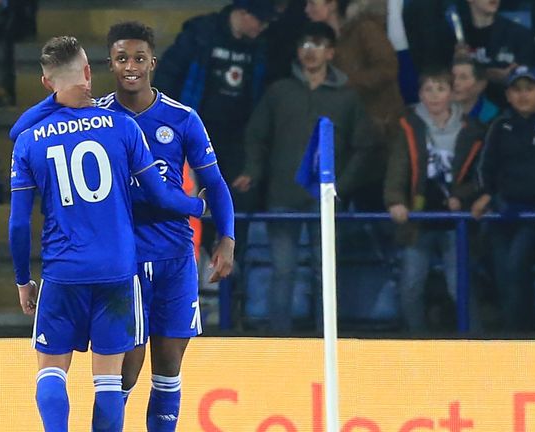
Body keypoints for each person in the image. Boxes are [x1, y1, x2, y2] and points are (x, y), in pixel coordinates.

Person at [10, 22, 236, 431]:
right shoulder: (105, 118)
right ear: (106, 66)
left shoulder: (182, 119)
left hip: (172, 258)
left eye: (138, 58)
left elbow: (216, 182)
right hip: (126, 262)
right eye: (121, 59)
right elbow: (165, 195)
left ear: (153, 61)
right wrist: (194, 205)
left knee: (167, 369)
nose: (130, 66)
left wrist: (228, 237)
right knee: (121, 375)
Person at [232, 22, 373, 332]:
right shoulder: (279, 91)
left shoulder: (347, 98)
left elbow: (364, 147)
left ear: (331, 52)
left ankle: (328, 339)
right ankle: (280, 340)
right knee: (283, 271)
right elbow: (257, 135)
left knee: (327, 272)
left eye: (318, 44)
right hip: (282, 198)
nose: (310, 51)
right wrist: (253, 171)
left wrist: (341, 186)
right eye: (305, 44)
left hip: (326, 201)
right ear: (297, 51)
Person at [153, 0, 276, 246]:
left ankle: (229, 263)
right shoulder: (201, 35)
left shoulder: (260, 47)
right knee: (191, 197)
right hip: (192, 134)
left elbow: (259, 97)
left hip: (236, 139)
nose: (262, 28)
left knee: (239, 196)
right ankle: (200, 260)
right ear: (242, 13)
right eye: (259, 21)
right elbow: (167, 77)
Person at [385, 68, 485, 333]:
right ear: (420, 94)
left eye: (440, 89)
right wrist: (395, 200)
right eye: (428, 89)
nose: (434, 95)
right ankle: (417, 345)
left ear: (451, 93)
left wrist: (460, 198)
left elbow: (480, 176)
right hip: (417, 219)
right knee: (410, 285)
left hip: (456, 222)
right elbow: (397, 167)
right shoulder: (407, 125)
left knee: (459, 286)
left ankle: (475, 343)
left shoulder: (472, 129)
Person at [305, 0, 404, 210]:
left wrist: (346, 83)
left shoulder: (363, 29)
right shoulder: (316, 42)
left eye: (313, 3)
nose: (307, 10)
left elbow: (388, 68)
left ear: (332, 4)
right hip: (343, 136)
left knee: (373, 207)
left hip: (377, 132)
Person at [472, 65, 535, 332]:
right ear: (508, 95)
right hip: (504, 211)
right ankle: (512, 335)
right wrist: (485, 194)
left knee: (515, 264)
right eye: (516, 90)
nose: (523, 95)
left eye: (530, 89)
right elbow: (484, 167)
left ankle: (524, 334)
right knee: (503, 274)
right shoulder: (500, 126)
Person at [453, 0, 535, 106]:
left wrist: (513, 75)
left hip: (507, 107)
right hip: (462, 108)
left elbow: (529, 75)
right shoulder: (455, 35)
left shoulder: (519, 34)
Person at [452, 55, 500, 125]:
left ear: (481, 84)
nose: (455, 82)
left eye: (463, 78)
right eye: (452, 76)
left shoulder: (494, 118)